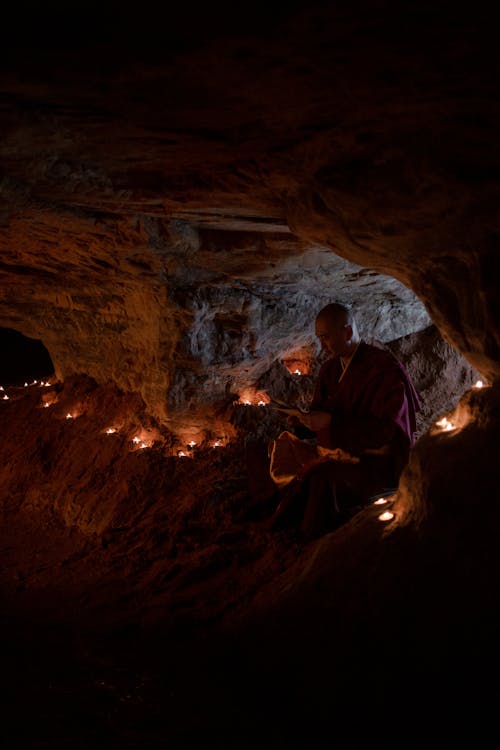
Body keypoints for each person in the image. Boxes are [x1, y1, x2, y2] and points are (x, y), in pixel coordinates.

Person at [268, 302, 421, 539]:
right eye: (319, 338)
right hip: (335, 449)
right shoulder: (330, 370)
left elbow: (387, 432)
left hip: (373, 463)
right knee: (268, 451)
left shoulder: (384, 370)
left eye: (326, 337)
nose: (321, 346)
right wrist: (303, 424)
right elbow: (319, 416)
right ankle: (279, 506)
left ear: (348, 332)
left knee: (321, 479)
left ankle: (305, 535)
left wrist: (331, 424)